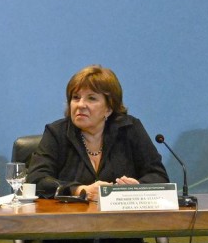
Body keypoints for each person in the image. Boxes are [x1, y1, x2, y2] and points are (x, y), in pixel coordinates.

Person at [27, 65, 169, 201]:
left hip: (119, 216)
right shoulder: (57, 132)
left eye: (91, 98)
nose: (80, 105)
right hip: (69, 216)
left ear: (109, 108)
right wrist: (78, 190)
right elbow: (36, 180)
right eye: (76, 97)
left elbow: (158, 176)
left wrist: (138, 187)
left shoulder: (129, 129)